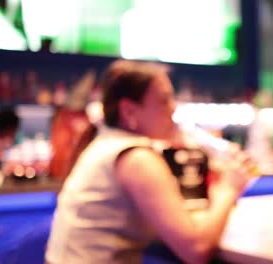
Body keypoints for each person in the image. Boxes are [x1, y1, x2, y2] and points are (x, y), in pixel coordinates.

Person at [45, 60, 250, 264]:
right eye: (164, 101)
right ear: (129, 111)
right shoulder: (136, 159)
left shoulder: (110, 145)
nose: (173, 110)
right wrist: (227, 190)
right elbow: (196, 250)